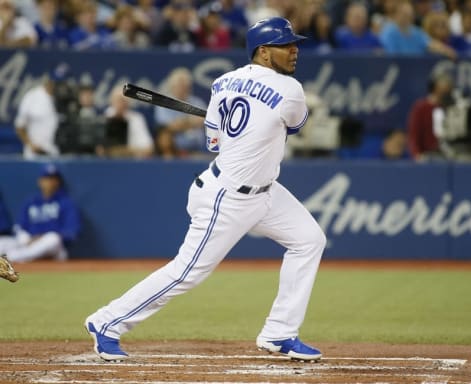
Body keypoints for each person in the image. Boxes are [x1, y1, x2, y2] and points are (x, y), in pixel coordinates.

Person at [85, 16, 326, 362]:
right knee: (186, 272)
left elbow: (214, 140)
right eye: (285, 45)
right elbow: (292, 127)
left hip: (262, 191)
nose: (294, 51)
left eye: (294, 44)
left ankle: (280, 331)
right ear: (262, 52)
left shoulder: (222, 82)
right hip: (227, 197)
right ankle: (106, 322)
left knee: (308, 239)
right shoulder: (291, 90)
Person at [0, 163, 81, 265]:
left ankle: (14, 257)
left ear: (58, 182)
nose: (50, 182)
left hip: (52, 248)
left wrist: (41, 238)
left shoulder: (66, 203)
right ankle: (23, 256)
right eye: (46, 178)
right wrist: (26, 239)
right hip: (28, 243)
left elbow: (71, 232)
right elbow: (19, 227)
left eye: (53, 179)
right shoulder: (31, 202)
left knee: (53, 238)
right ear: (40, 181)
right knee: (2, 242)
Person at [15, 63, 70, 159]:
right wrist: (31, 145)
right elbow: (19, 126)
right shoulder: (33, 96)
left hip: (56, 153)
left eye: (63, 83)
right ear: (50, 81)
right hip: (35, 154)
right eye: (58, 83)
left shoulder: (66, 99)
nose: (61, 86)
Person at [154, 67, 207, 158]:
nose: (182, 89)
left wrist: (181, 124)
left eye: (185, 86)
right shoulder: (164, 103)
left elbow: (205, 120)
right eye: (179, 86)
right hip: (174, 151)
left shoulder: (198, 102)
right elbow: (167, 127)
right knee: (164, 136)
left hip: (198, 151)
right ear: (172, 87)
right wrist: (191, 122)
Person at [379, 0, 457, 59]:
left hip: (417, 70)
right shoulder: (389, 32)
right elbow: (389, 55)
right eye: (404, 15)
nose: (407, 18)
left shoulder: (416, 32)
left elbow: (431, 44)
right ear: (396, 14)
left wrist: (446, 50)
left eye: (410, 15)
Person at [96, 86, 154, 159]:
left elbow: (149, 149)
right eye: (117, 101)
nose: (120, 104)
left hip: (132, 163)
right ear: (112, 102)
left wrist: (125, 151)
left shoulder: (137, 119)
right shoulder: (106, 117)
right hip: (110, 163)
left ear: (128, 103)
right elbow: (99, 149)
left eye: (122, 101)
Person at [407, 72, 455, 160]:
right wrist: (417, 155)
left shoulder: (452, 108)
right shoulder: (421, 107)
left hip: (449, 156)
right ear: (434, 87)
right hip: (427, 157)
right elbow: (413, 135)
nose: (446, 89)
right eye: (443, 85)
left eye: (448, 86)